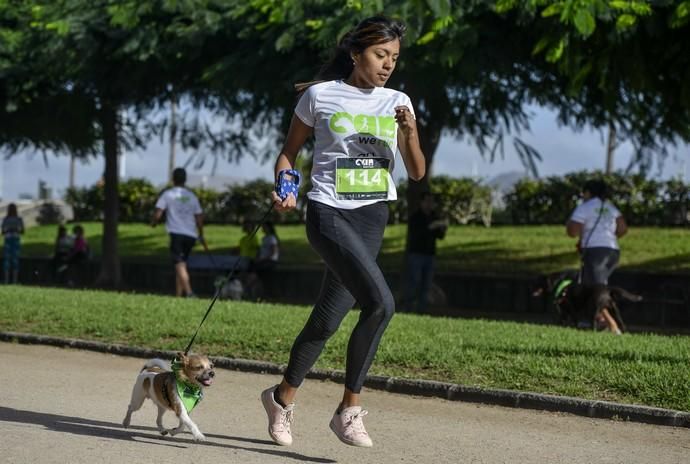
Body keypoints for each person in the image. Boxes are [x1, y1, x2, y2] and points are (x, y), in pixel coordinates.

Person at [260, 16, 425, 448]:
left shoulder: (399, 101)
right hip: (329, 212)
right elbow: (288, 153)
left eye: (394, 57)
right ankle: (348, 409)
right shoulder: (320, 95)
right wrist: (286, 185)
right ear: (356, 54)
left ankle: (280, 399)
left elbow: (418, 171)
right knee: (382, 303)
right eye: (379, 55)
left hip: (372, 218)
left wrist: (408, 133)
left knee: (326, 320)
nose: (387, 64)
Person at [566, 178, 628, 333]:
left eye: (584, 193)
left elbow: (572, 231)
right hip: (613, 251)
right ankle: (599, 319)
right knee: (598, 287)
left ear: (588, 192)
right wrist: (606, 236)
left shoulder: (585, 207)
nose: (583, 196)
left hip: (595, 252)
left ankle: (613, 326)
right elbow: (622, 229)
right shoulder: (610, 207)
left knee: (596, 290)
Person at [152, 167, 206, 297]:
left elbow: (158, 213)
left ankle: (189, 292)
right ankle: (178, 296)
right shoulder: (191, 196)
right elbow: (199, 217)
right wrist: (201, 234)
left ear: (173, 179)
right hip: (191, 235)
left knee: (179, 263)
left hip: (177, 234)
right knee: (181, 265)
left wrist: (153, 222)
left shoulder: (168, 194)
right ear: (185, 179)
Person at [402, 191, 448, 313]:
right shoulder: (416, 217)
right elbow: (416, 234)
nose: (429, 204)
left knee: (426, 284)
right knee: (414, 282)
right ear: (421, 202)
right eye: (427, 201)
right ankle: (409, 308)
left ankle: (421, 310)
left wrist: (442, 227)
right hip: (416, 254)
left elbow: (440, 236)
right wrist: (430, 227)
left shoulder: (434, 216)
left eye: (431, 202)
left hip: (430, 255)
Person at [2, 203, 24, 284]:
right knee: (15, 260)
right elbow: (22, 230)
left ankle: (7, 280)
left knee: (8, 260)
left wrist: (8, 230)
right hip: (15, 239)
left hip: (8, 239)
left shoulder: (6, 219)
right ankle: (14, 280)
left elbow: (3, 231)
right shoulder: (18, 219)